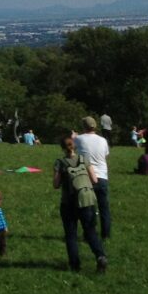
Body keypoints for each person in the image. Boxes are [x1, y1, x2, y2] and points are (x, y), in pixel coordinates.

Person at [52, 135, 107, 273]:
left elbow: (56, 184)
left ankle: (75, 265)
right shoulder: (84, 160)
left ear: (63, 148)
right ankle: (100, 256)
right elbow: (94, 179)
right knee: (90, 232)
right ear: (74, 146)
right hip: (87, 201)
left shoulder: (60, 162)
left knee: (71, 235)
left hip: (68, 203)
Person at [73, 116, 111, 239]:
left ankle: (89, 233)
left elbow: (71, 149)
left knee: (88, 208)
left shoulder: (79, 139)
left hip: (87, 177)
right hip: (102, 176)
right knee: (104, 207)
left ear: (84, 126)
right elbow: (105, 156)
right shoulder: (103, 140)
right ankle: (106, 234)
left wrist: (73, 137)